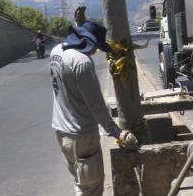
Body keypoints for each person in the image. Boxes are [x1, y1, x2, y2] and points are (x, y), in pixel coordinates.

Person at [49, 20, 138, 196]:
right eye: (95, 46)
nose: (94, 51)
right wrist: (117, 132)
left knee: (80, 182)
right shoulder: (82, 62)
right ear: (88, 42)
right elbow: (96, 105)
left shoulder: (56, 51)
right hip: (82, 137)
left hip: (61, 131)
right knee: (91, 188)